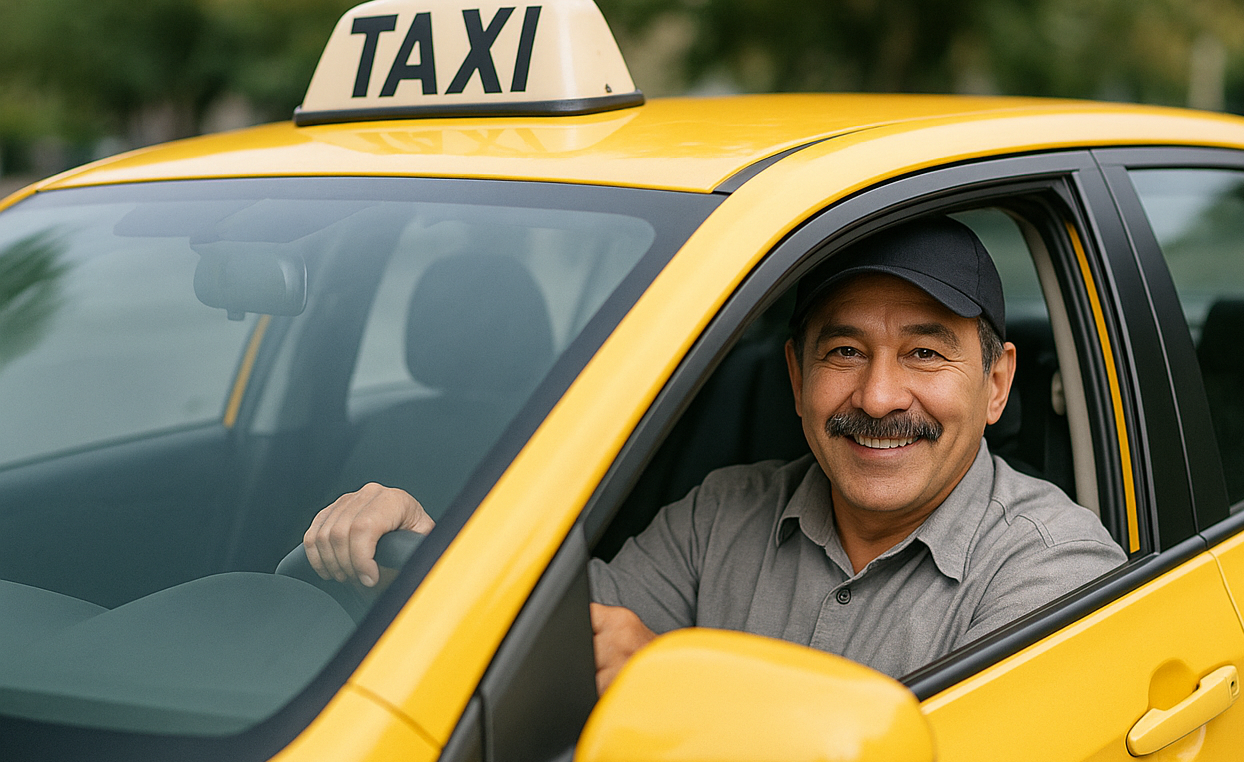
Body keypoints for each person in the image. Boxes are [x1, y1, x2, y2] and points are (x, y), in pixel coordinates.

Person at [303, 216, 1126, 690]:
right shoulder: (721, 514)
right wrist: (430, 546)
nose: (878, 397)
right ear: (796, 377)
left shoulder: (1055, 571)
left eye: (923, 353)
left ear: (995, 382)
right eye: (844, 352)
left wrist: (667, 681)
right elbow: (542, 639)